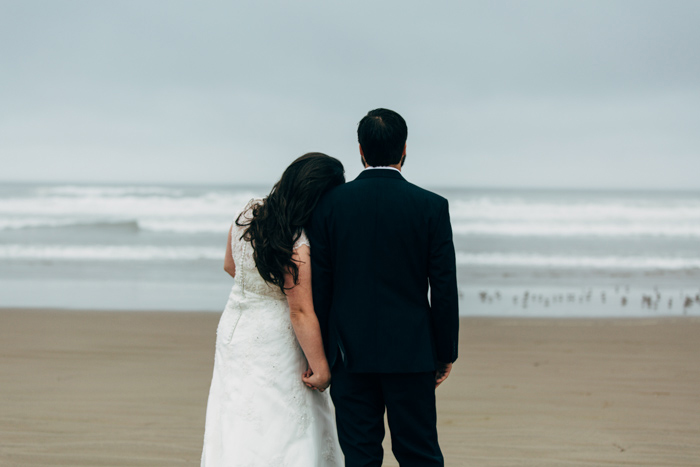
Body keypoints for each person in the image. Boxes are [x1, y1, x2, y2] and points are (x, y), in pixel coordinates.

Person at [308, 108, 459, 466]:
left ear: (360, 150)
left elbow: (321, 287)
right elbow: (443, 287)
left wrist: (326, 353)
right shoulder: (431, 207)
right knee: (419, 454)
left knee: (360, 456)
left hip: (348, 354)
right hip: (412, 353)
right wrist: (445, 352)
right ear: (405, 148)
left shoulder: (329, 206)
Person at [200, 153, 345, 467]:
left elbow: (230, 266)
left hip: (235, 327)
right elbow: (300, 311)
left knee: (235, 412)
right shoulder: (296, 240)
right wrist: (321, 368)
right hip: (274, 336)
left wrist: (256, 290)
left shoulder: (249, 212)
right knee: (282, 419)